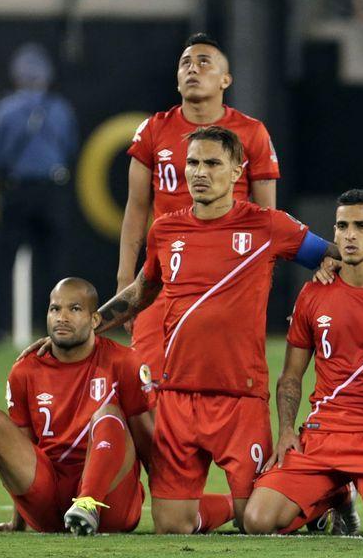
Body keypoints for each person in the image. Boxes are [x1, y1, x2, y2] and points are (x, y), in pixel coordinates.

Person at [65, 125, 363, 534]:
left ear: (237, 171)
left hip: (240, 399)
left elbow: (339, 252)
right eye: (193, 163)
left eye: (212, 163)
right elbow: (143, 291)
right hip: (178, 394)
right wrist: (90, 326)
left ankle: (334, 492)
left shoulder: (268, 227)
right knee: (172, 525)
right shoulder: (166, 230)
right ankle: (257, 504)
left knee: (259, 522)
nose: (199, 172)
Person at [243, 190, 363, 538]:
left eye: (361, 225)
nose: (350, 234)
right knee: (257, 520)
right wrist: (288, 430)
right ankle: (333, 497)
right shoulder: (314, 293)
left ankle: (354, 494)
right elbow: (291, 375)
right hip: (322, 436)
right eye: (342, 226)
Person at [119, 33, 280, 404]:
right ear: (176, 80)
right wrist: (125, 278)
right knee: (142, 391)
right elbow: (135, 208)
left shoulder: (251, 133)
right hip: (165, 278)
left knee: (228, 393)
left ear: (226, 80)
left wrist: (259, 281)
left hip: (227, 280)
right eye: (186, 63)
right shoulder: (154, 130)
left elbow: (268, 218)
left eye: (205, 62)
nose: (194, 68)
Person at [0, 278, 152, 534]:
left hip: (109, 505)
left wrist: (164, 503)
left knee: (108, 413)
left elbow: (146, 441)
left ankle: (87, 502)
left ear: (95, 320)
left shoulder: (124, 362)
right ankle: (77, 511)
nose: (62, 317)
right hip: (50, 505)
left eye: (75, 309)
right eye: (55, 309)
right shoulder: (24, 371)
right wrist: (18, 522)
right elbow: (21, 451)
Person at [0, 43, 77, 340]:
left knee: (4, 262)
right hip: (52, 191)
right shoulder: (60, 109)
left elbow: (1, 154)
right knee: (54, 264)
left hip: (19, 191)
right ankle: (58, 328)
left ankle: (2, 328)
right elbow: (69, 148)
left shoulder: (6, 110)